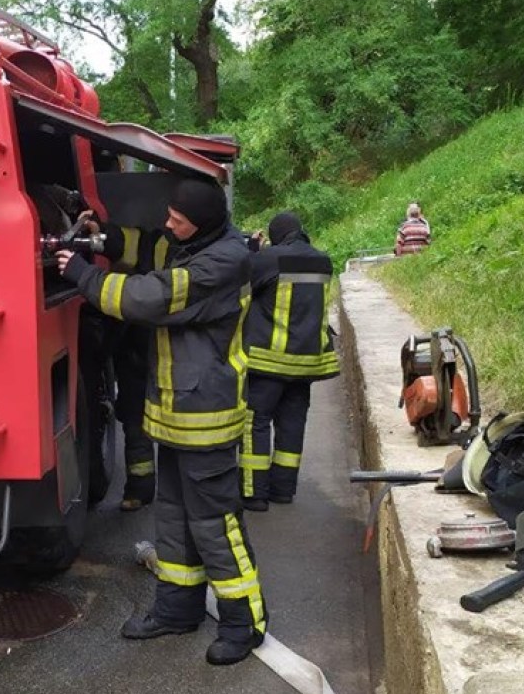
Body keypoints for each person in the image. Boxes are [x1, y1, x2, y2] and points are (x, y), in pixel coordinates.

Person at [56, 179, 267, 666]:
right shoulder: (197, 243)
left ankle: (245, 623)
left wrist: (84, 275)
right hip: (176, 415)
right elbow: (149, 245)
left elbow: (149, 298)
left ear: (204, 221)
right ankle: (177, 609)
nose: (169, 224)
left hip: (206, 419)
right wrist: (100, 235)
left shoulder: (224, 262)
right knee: (172, 518)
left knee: (215, 524)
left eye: (178, 218)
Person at [240, 212, 339, 512]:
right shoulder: (324, 261)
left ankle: (254, 492)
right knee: (292, 424)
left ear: (276, 234)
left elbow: (244, 286)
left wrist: (253, 251)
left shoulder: (270, 258)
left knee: (255, 423)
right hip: (306, 364)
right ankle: (283, 489)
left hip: (269, 363)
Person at [99, 226, 172, 511]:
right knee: (136, 417)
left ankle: (153, 492)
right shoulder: (141, 235)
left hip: (154, 341)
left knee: (148, 418)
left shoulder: (176, 241)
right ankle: (140, 489)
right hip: (139, 342)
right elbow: (116, 244)